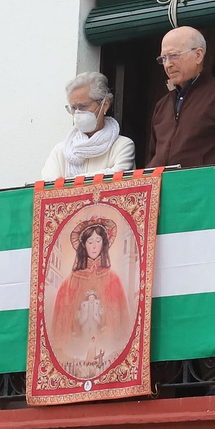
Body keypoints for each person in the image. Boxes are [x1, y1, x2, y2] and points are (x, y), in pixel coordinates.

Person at [144, 26, 215, 168]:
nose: (168, 64)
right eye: (163, 58)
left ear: (198, 55)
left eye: (174, 55)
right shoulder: (161, 106)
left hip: (207, 187)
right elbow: (152, 156)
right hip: (166, 188)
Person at [49, 217, 132, 374]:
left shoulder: (113, 279)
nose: (94, 246)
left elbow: (123, 322)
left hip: (107, 349)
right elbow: (61, 324)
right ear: (84, 245)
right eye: (90, 242)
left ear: (104, 243)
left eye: (98, 240)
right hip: (78, 348)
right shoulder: (70, 282)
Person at [41, 71, 135, 182]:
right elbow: (48, 187)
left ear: (104, 105)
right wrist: (104, 173)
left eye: (83, 106)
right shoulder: (60, 151)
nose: (77, 112)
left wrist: (66, 181)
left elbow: (117, 179)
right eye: (73, 107)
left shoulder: (122, 146)